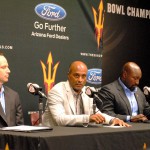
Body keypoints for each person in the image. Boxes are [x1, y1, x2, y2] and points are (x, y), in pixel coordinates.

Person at [43, 61, 130, 127]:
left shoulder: (87, 92)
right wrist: (87, 118)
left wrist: (112, 120)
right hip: (54, 137)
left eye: (83, 76)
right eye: (76, 76)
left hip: (76, 134)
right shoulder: (57, 91)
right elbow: (59, 119)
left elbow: (96, 113)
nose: (80, 80)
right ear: (68, 76)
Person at [0, 53, 24, 127]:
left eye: (8, 67)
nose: (8, 71)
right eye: (4, 67)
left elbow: (20, 128)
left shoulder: (14, 96)